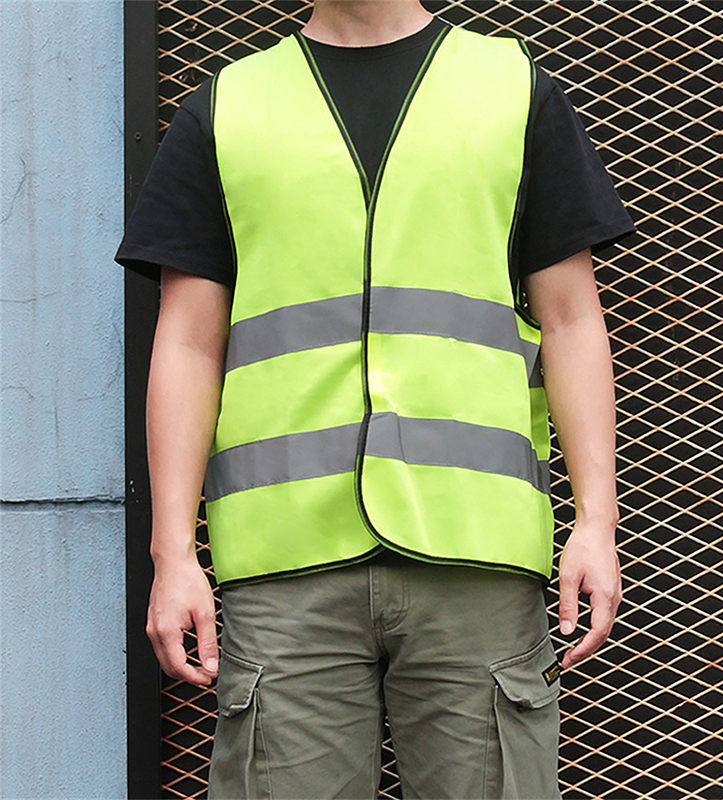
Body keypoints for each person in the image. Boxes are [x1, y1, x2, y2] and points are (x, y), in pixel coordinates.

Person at [116, 1, 635, 797]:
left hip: (476, 554)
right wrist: (172, 554)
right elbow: (188, 343)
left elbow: (571, 320)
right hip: (285, 566)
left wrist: (598, 520)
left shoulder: (513, 89)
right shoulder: (226, 107)